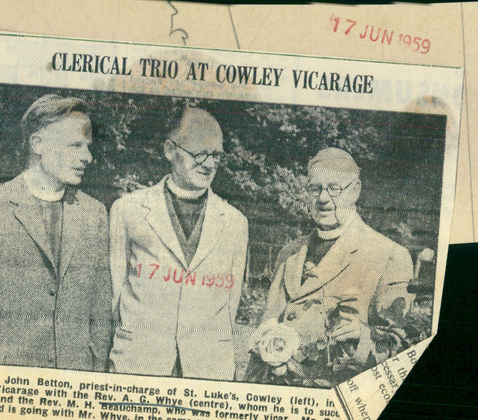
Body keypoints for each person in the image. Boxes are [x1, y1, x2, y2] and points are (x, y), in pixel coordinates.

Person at [0, 94, 111, 371]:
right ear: (37, 144)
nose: (87, 157)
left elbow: (100, 310)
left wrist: (96, 371)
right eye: (75, 145)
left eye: (87, 147)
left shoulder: (94, 213)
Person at [245, 147, 415, 387]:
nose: (323, 199)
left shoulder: (389, 255)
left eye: (334, 188)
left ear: (355, 190)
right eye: (315, 188)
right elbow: (265, 330)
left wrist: (364, 338)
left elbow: (402, 346)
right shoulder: (289, 253)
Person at [109, 107, 248, 380]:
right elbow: (115, 295)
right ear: (170, 150)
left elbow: (231, 306)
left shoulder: (235, 222)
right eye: (199, 153)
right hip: (138, 366)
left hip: (207, 371)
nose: (209, 164)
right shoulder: (128, 209)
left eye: (216, 155)